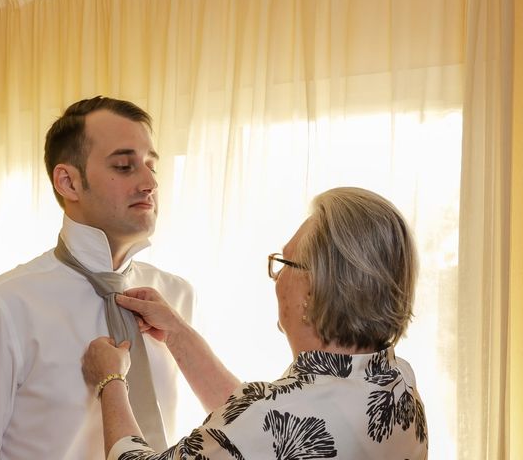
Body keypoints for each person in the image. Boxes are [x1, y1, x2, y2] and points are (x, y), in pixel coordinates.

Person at [0, 96, 195, 459]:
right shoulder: (2, 309)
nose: (149, 181)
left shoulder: (175, 298)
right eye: (124, 166)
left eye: (151, 165)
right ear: (68, 182)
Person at [82, 186, 428, 459]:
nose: (276, 278)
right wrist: (177, 333)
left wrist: (109, 381)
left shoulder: (272, 418)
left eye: (285, 263)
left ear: (314, 292)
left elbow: (259, 428)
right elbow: (256, 430)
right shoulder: (397, 382)